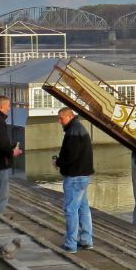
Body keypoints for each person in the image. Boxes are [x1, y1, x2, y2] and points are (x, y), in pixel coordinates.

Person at [53, 106, 94, 253]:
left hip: (75, 177)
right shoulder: (79, 129)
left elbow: (70, 155)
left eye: (61, 118)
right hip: (84, 175)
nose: (60, 121)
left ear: (69, 116)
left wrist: (58, 163)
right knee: (83, 208)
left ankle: (71, 244)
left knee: (71, 210)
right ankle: (87, 240)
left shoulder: (73, 132)